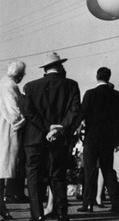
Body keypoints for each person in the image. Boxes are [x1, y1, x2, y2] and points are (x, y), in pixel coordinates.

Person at [23, 52, 81, 221]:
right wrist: (58, 129)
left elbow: (29, 113)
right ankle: (62, 213)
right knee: (58, 175)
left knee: (33, 177)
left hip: (34, 139)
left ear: (45, 69)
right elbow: (75, 111)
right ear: (60, 66)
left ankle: (37, 215)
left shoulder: (30, 87)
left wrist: (47, 128)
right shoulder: (72, 85)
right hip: (59, 139)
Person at [78, 67, 119, 214]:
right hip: (108, 139)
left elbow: (82, 113)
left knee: (89, 171)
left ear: (97, 76)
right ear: (109, 77)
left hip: (92, 137)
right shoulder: (115, 95)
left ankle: (88, 203)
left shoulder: (90, 94)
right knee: (108, 170)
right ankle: (115, 201)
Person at [0, 61, 26, 220]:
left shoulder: (3, 83)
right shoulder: (9, 86)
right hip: (5, 133)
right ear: (19, 75)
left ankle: (1, 207)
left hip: (3, 131)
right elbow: (14, 112)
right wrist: (25, 121)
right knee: (2, 169)